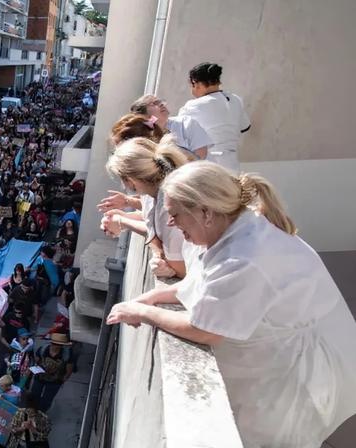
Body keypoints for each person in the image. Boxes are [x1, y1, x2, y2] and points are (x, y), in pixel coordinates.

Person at [106, 161, 356, 447]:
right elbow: (204, 284)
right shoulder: (235, 230)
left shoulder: (245, 257)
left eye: (175, 214)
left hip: (295, 371)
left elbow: (205, 330)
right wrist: (154, 296)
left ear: (206, 213)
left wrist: (142, 311)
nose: (171, 224)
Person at [101, 137, 188, 279]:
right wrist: (122, 217)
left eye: (122, 179)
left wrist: (122, 221)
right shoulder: (153, 192)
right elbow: (150, 220)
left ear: (130, 180)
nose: (123, 186)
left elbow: (181, 270)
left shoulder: (169, 209)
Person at [178, 62, 250, 171]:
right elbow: (245, 127)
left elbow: (177, 133)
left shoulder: (193, 106)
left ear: (196, 83)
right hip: (232, 165)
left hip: (208, 165)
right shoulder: (235, 100)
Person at [130, 94, 211, 161]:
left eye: (160, 101)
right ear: (144, 115)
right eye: (154, 103)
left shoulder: (185, 123)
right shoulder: (143, 137)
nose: (161, 104)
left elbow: (201, 156)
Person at [31, 333, 73, 411]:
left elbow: (69, 369)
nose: (55, 346)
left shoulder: (66, 355)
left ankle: (41, 415)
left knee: (46, 400)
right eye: (54, 343)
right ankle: (32, 412)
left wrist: (64, 378)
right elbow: (37, 361)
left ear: (62, 345)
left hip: (55, 382)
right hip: (40, 377)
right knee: (34, 396)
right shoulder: (43, 349)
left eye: (58, 344)